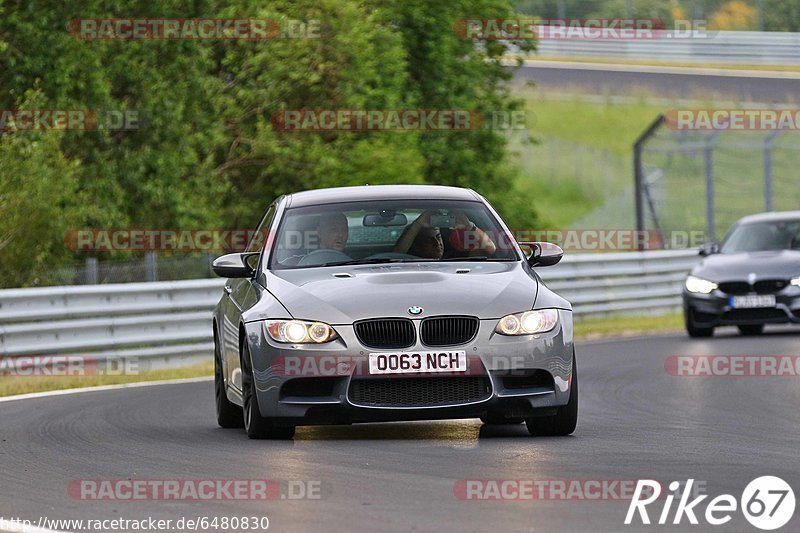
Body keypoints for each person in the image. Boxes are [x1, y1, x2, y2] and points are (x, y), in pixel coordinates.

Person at [394, 209, 496, 258]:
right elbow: (396, 255)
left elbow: (491, 248)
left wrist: (469, 225)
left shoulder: (455, 258)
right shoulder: (407, 262)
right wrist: (417, 224)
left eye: (438, 237)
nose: (437, 243)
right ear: (416, 245)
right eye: (430, 240)